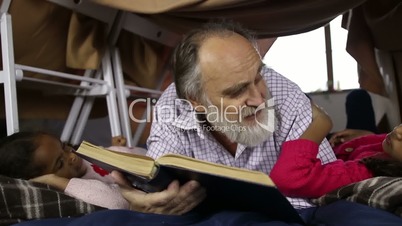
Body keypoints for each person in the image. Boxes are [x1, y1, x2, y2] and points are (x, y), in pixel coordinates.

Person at [109, 20, 402, 225]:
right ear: (195, 102)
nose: (258, 98)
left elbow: (326, 187)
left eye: (258, 76)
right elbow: (157, 175)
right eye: (237, 91)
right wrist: (141, 201)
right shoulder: (172, 106)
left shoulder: (286, 95)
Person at [270, 102, 402, 198]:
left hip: (334, 150)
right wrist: (367, 135)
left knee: (303, 104)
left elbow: (288, 177)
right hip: (350, 143)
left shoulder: (364, 174)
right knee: (358, 97)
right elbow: (379, 140)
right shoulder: (392, 147)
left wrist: (322, 123)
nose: (397, 130)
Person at [0, 131, 145, 209]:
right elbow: (116, 203)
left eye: (64, 146)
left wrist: (111, 150)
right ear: (44, 179)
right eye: (60, 163)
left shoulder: (81, 159)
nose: (72, 156)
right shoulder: (76, 188)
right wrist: (59, 182)